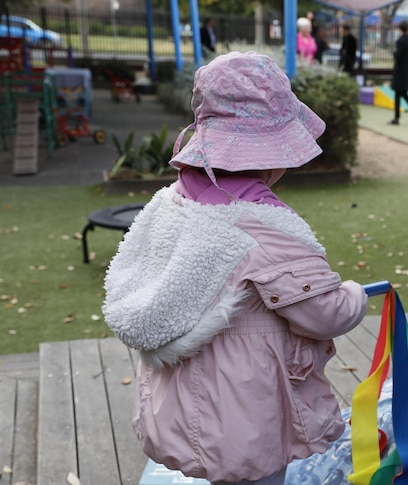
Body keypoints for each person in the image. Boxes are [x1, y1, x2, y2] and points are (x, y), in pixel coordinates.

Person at [103, 52, 369, 485]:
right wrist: (355, 293)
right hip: (246, 407)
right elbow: (325, 313)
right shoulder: (263, 227)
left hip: (191, 399)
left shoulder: (174, 202)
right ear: (270, 157)